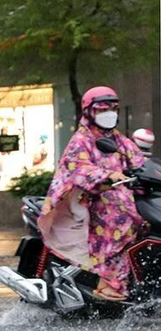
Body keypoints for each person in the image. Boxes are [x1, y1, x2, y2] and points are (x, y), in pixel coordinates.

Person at [37, 86, 145, 302]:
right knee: (122, 218)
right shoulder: (82, 139)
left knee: (145, 219)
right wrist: (107, 175)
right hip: (86, 198)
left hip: (120, 195)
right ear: (89, 112)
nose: (110, 113)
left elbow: (140, 162)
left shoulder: (119, 140)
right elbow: (78, 168)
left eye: (113, 108)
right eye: (103, 109)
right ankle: (107, 281)